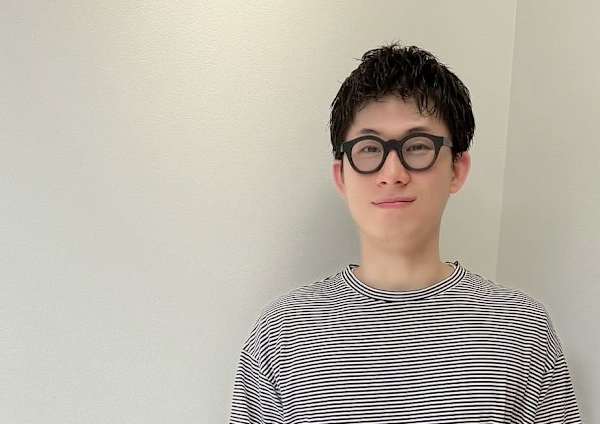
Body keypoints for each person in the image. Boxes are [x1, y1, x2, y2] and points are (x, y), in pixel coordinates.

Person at [228, 43, 583, 423]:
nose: (392, 173)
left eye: (417, 146)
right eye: (369, 148)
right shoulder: (281, 333)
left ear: (457, 169)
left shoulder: (523, 328)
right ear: (342, 176)